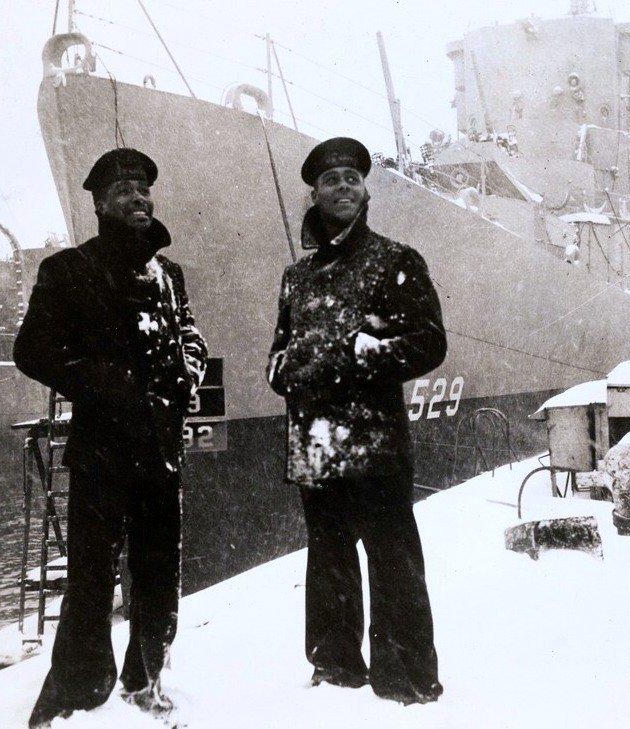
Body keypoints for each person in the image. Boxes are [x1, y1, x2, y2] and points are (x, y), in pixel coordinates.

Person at [13, 148, 208, 727]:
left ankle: (144, 680)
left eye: (144, 189)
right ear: (100, 203)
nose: (138, 199)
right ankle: (76, 692)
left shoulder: (168, 275)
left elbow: (191, 337)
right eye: (124, 190)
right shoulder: (67, 270)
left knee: (157, 573)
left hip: (160, 450)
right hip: (101, 451)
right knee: (92, 574)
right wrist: (103, 384)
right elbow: (32, 351)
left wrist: (187, 372)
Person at [266, 137, 447, 705]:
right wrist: (287, 369)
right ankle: (335, 669)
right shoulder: (297, 277)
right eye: (331, 180)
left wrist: (364, 354)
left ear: (365, 189)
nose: (343, 187)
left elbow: (430, 342)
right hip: (316, 443)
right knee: (329, 561)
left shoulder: (396, 260)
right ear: (315, 194)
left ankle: (407, 681)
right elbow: (278, 355)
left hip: (374, 442)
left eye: (352, 177)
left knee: (392, 560)